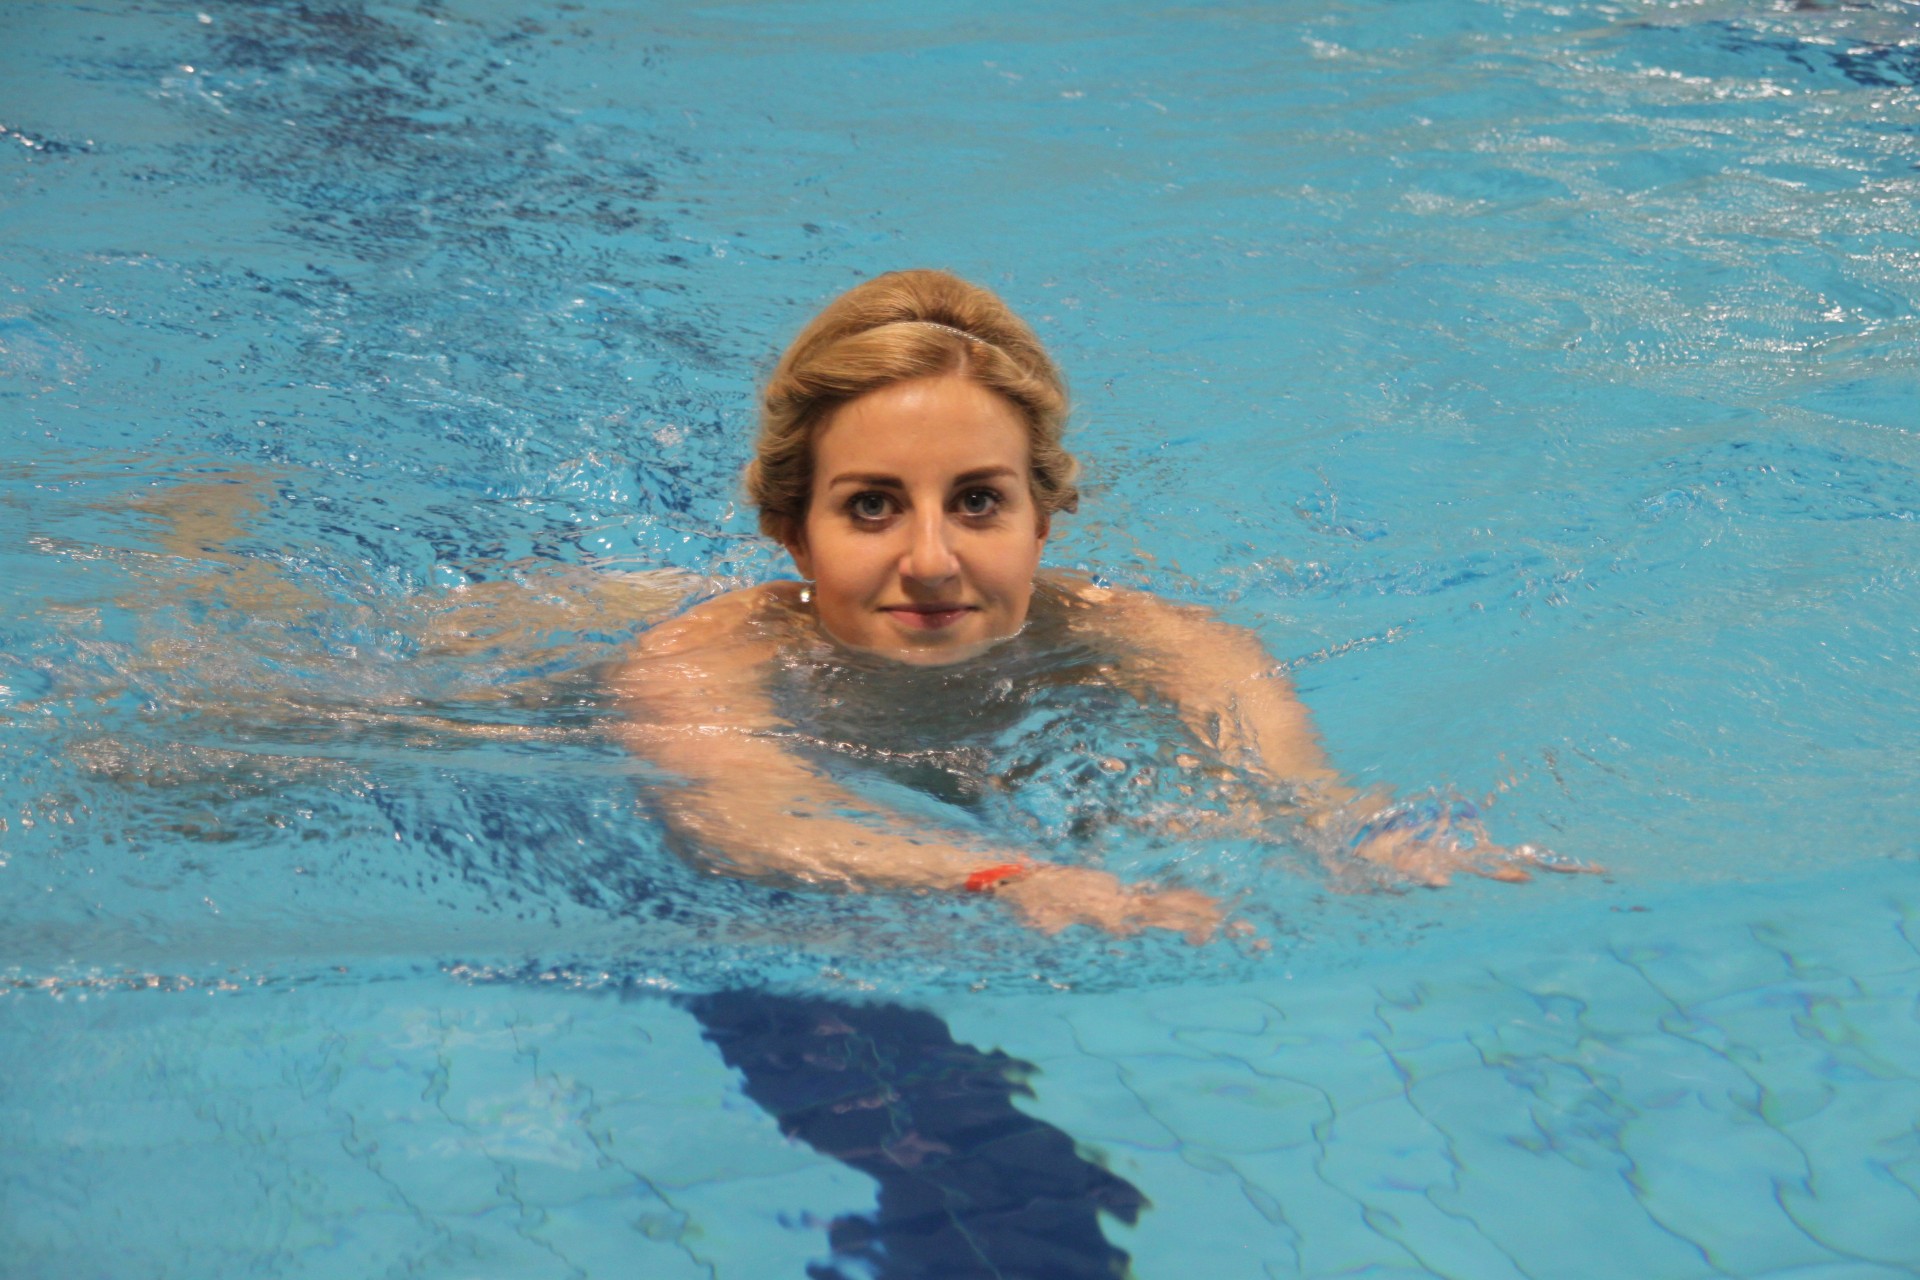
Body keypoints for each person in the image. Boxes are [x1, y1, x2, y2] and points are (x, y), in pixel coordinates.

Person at [613, 269, 1576, 942]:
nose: (932, 562)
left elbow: (1295, 783)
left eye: (978, 501)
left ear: (1042, 520)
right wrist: (1000, 874)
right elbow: (742, 814)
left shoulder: (1151, 638)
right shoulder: (706, 655)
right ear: (792, 532)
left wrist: (1365, 836)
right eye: (871, 506)